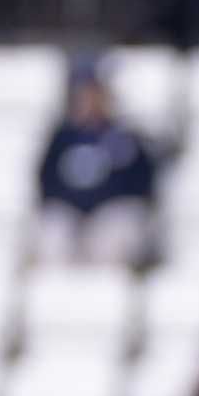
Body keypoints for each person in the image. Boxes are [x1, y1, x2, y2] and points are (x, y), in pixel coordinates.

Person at [35, 73, 156, 265]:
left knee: (112, 238)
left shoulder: (125, 137)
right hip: (71, 213)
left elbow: (141, 183)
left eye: (95, 96)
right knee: (54, 236)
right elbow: (46, 179)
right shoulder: (63, 137)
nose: (90, 103)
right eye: (85, 97)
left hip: (110, 213)